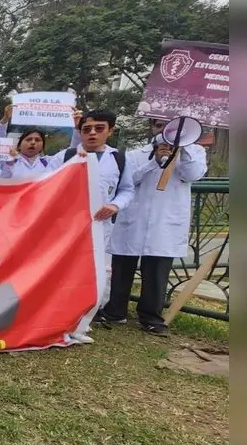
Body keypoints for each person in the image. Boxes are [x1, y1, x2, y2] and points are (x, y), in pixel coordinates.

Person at [100, 120, 208, 336]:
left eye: (172, 129)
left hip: (165, 222)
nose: (164, 132)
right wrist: (154, 161)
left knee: (157, 271)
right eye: (159, 126)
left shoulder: (194, 152)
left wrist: (182, 150)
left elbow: (193, 174)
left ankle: (150, 317)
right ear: (152, 128)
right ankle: (115, 311)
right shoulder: (136, 153)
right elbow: (129, 179)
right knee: (122, 267)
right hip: (134, 219)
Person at [48, 109, 135, 344]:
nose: (92, 134)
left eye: (99, 128)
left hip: (99, 227)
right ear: (80, 131)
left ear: (111, 131)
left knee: (93, 275)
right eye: (87, 129)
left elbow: (127, 190)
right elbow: (40, 182)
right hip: (65, 227)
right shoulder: (65, 156)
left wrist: (115, 205)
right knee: (61, 272)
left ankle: (81, 323)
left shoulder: (119, 159)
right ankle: (54, 320)